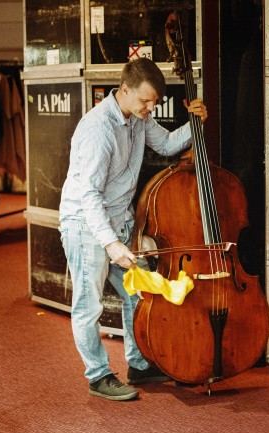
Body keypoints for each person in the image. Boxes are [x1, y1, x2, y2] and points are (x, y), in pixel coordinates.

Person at [59, 57, 208, 401]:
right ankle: (98, 376)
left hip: (118, 221)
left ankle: (139, 364)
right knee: (89, 304)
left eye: (154, 101)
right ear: (124, 90)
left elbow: (169, 144)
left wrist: (195, 122)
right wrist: (111, 244)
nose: (150, 107)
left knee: (137, 295)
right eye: (145, 100)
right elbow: (90, 195)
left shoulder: (138, 118)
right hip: (86, 224)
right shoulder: (97, 129)